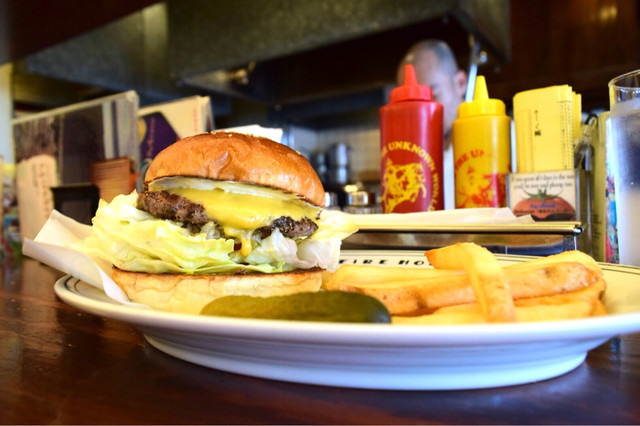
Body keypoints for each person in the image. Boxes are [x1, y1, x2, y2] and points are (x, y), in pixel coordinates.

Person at [397, 40, 467, 210]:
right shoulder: (413, 159)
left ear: (460, 83)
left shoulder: (507, 139)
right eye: (409, 104)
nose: (420, 115)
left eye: (432, 96)